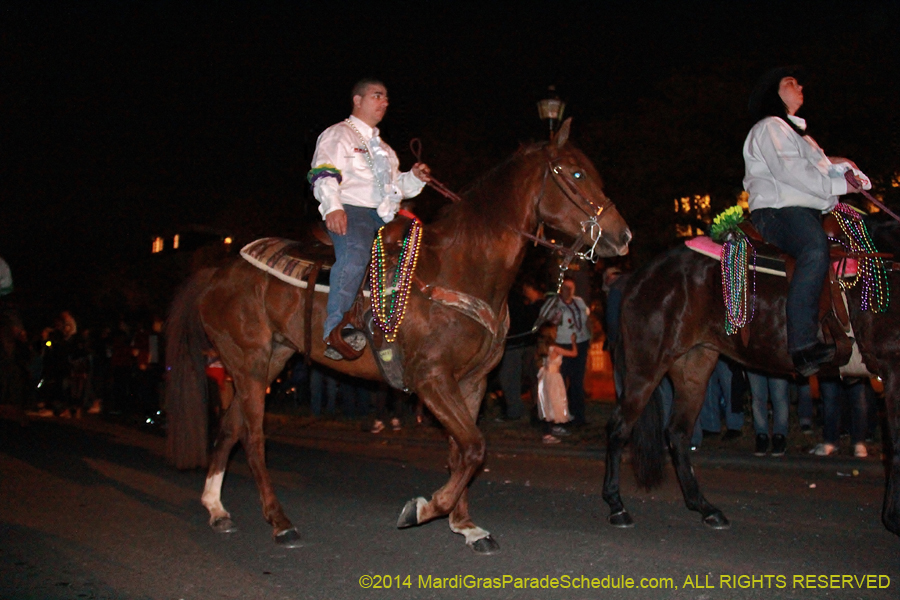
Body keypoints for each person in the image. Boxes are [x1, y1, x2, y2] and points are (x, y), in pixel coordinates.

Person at [743, 66, 870, 377]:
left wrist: (847, 172)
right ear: (775, 93)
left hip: (805, 211)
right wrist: (839, 186)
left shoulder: (802, 138)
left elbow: (821, 170)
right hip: (777, 211)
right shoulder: (770, 127)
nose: (799, 85)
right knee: (814, 249)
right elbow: (792, 174)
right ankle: (801, 345)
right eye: (790, 82)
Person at [308, 79, 431, 361]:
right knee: (355, 257)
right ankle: (336, 330)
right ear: (358, 100)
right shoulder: (338, 135)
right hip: (353, 210)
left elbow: (396, 186)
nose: (384, 102)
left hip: (385, 215)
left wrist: (414, 178)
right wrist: (332, 207)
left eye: (386, 98)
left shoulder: (384, 149)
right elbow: (324, 172)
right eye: (377, 96)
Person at [540, 276, 592, 426]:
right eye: (565, 287)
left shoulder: (579, 302)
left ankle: (578, 416)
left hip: (580, 343)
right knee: (560, 382)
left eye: (571, 288)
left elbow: (586, 318)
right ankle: (560, 415)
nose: (568, 291)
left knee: (577, 381)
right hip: (562, 344)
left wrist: (589, 335)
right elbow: (544, 318)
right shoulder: (554, 303)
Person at [495, 279, 545, 421]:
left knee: (510, 378)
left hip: (515, 345)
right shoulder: (524, 302)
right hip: (524, 344)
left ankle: (516, 411)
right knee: (531, 378)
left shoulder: (512, 301)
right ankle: (538, 409)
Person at [535, 323, 578, 444]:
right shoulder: (554, 348)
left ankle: (552, 427)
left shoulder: (544, 348)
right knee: (553, 403)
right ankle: (547, 434)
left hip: (546, 378)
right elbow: (574, 354)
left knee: (549, 403)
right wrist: (573, 341)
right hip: (553, 378)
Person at [811, 376, 869, 458]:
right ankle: (831, 441)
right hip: (829, 367)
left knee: (858, 400)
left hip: (851, 367)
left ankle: (859, 442)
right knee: (829, 400)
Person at [748, 371, 791, 457]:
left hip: (777, 362)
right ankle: (761, 435)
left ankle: (779, 435)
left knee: (779, 396)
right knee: (758, 398)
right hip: (755, 361)